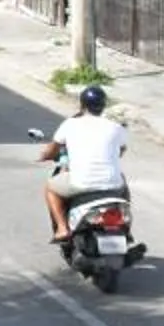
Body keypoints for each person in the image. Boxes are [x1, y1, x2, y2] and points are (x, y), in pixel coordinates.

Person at [37, 84, 128, 250]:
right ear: (103, 106)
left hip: (81, 184)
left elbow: (52, 150)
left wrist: (44, 156)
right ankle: (125, 223)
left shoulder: (70, 124)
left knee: (50, 188)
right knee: (122, 179)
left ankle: (62, 228)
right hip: (113, 185)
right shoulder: (116, 128)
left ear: (82, 105)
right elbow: (121, 151)